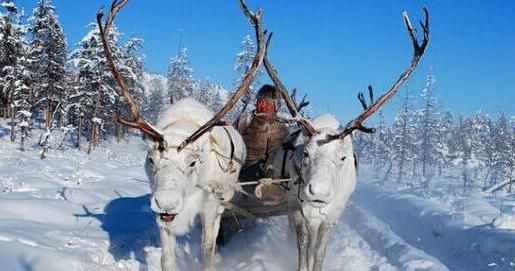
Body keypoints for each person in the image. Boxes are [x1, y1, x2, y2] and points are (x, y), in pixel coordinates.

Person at [236, 84, 290, 203]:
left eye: (267, 102)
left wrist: (269, 171)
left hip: (257, 168)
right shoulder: (245, 119)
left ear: (275, 106)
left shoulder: (277, 126)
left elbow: (275, 152)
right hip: (236, 164)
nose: (262, 105)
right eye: (260, 101)